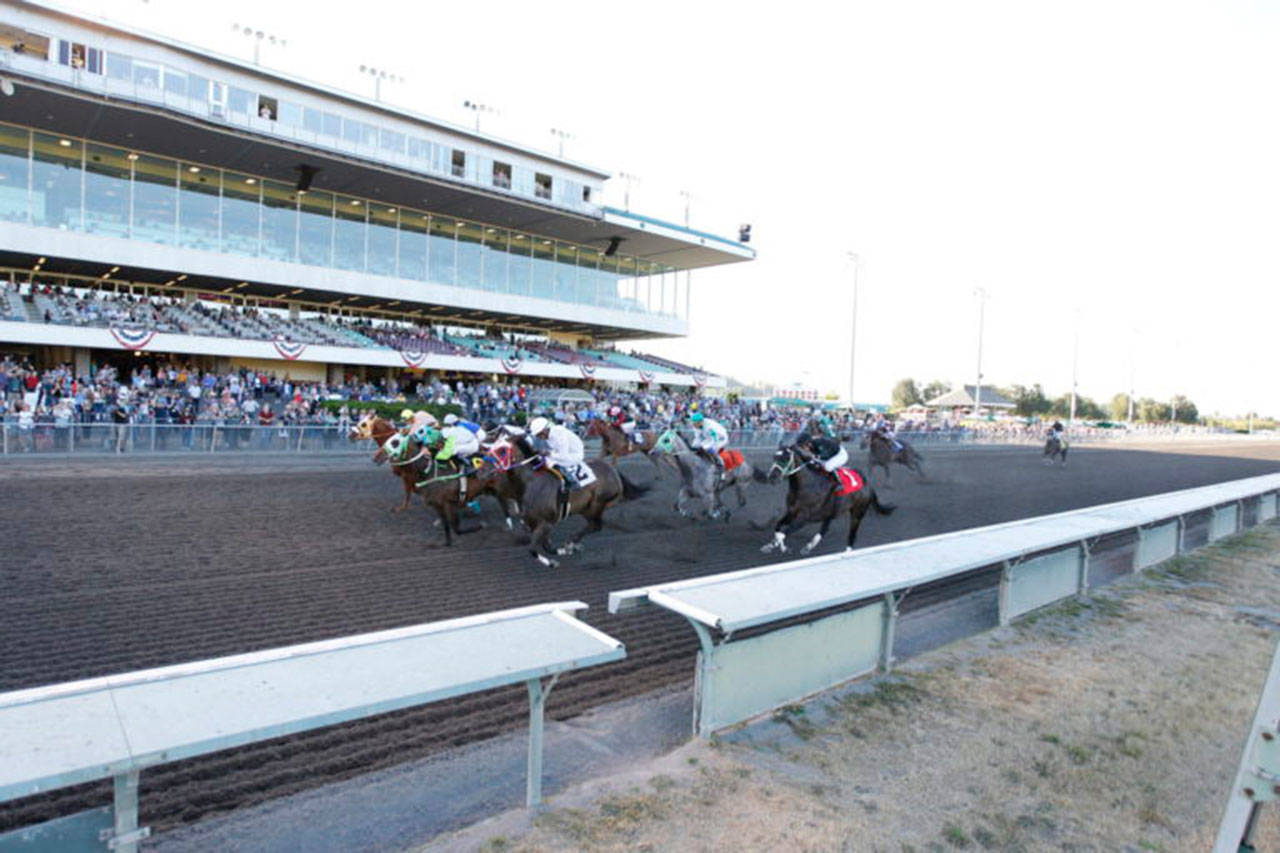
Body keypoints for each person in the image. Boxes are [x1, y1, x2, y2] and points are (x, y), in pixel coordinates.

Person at [528, 416, 594, 510]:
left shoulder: (559, 434)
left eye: (540, 434)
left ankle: (570, 481)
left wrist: (548, 453)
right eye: (538, 435)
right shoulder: (550, 434)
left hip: (574, 455)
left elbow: (563, 456)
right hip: (562, 453)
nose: (540, 437)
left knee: (550, 461)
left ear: (546, 429)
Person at [688, 411, 729, 476]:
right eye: (693, 423)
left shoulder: (709, 427)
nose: (693, 425)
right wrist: (693, 447)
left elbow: (714, 440)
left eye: (695, 424)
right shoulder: (696, 426)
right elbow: (698, 438)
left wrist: (711, 447)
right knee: (697, 446)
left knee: (709, 448)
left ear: (700, 422)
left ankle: (720, 465)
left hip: (720, 437)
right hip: (709, 437)